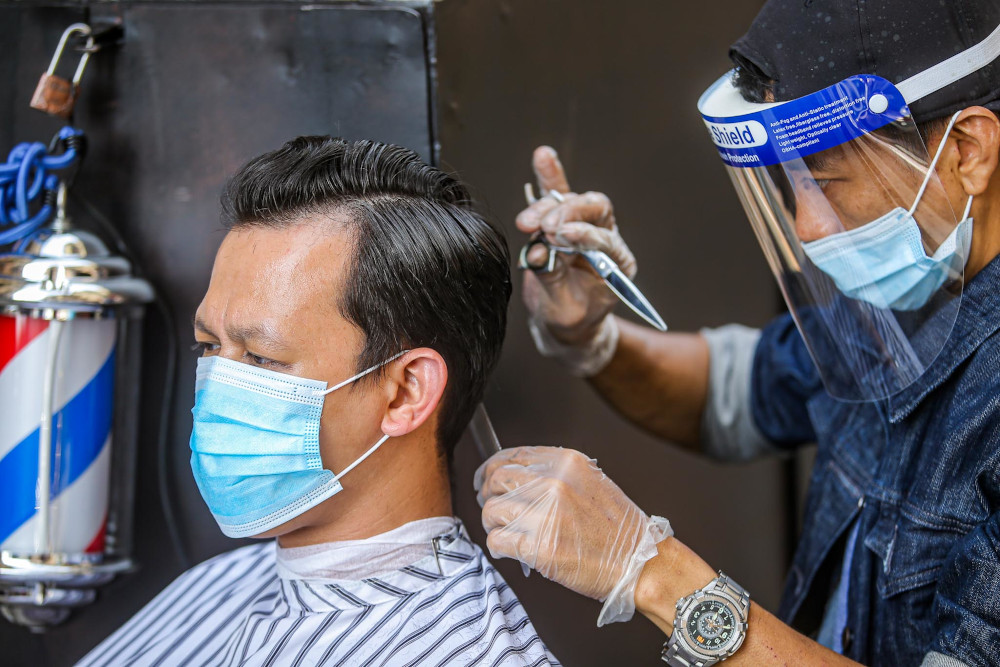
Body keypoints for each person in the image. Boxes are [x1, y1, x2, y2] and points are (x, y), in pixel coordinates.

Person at [476, 1, 1000, 665]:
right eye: (791, 187)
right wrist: (591, 337)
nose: (806, 227)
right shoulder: (923, 283)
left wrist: (651, 570)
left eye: (826, 184)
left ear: (966, 149)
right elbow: (739, 391)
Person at [77, 136, 558, 666]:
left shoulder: (474, 653)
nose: (217, 390)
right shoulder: (214, 589)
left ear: (405, 392)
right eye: (209, 347)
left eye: (262, 358)